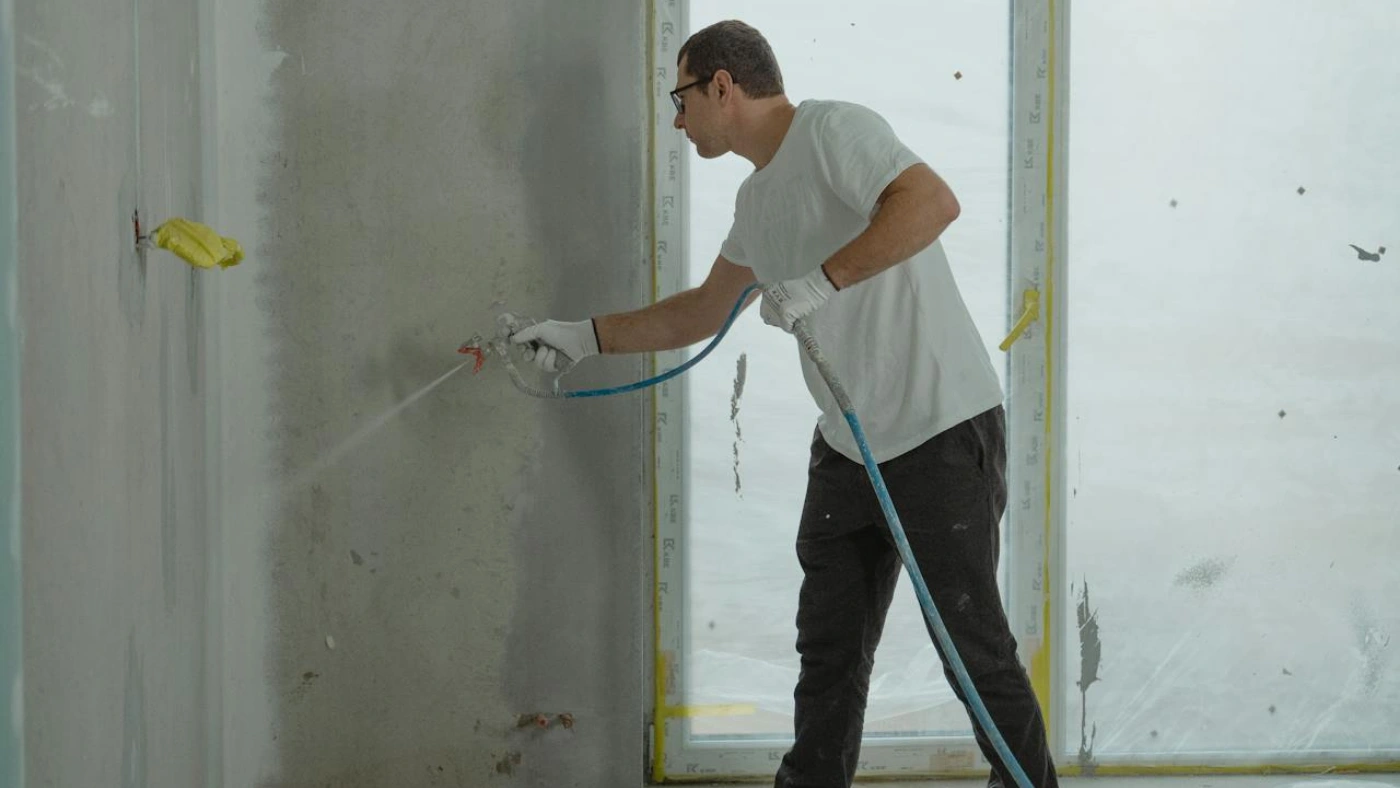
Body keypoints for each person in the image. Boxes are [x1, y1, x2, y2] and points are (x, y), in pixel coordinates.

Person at [508, 19, 1058, 788]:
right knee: (828, 646)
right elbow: (702, 310)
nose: (676, 117)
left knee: (971, 645)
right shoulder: (756, 201)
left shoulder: (833, 129)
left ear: (723, 87)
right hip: (849, 447)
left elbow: (931, 201)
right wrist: (581, 336)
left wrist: (821, 280)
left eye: (681, 96)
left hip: (937, 427)